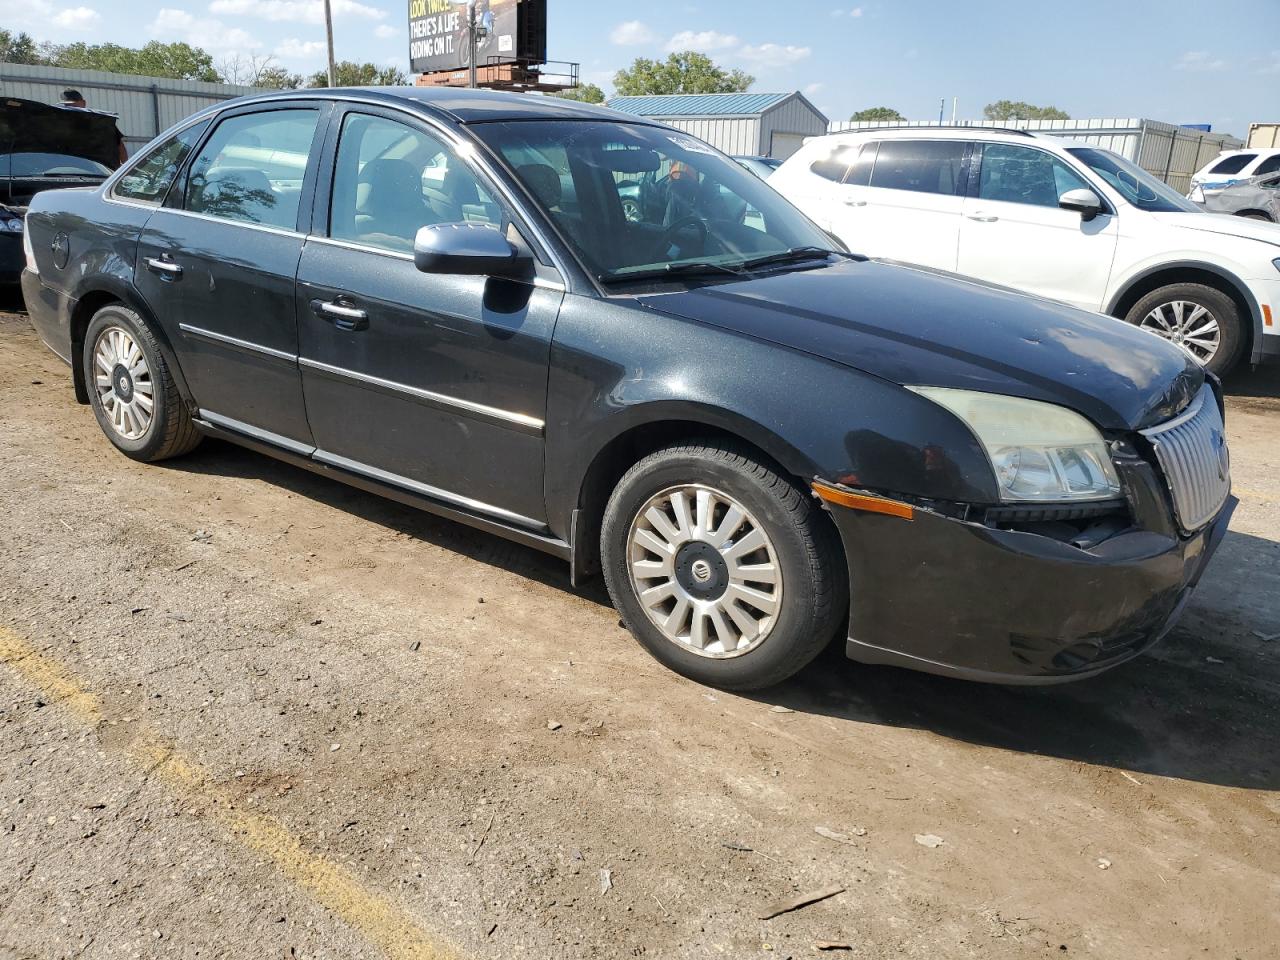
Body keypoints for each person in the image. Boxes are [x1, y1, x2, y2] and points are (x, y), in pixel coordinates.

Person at [59, 88, 129, 168]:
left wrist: (125, 169)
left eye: (73, 104)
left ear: (83, 103)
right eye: (66, 105)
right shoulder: (57, 125)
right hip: (66, 171)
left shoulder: (100, 122)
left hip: (101, 172)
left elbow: (120, 147)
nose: (70, 108)